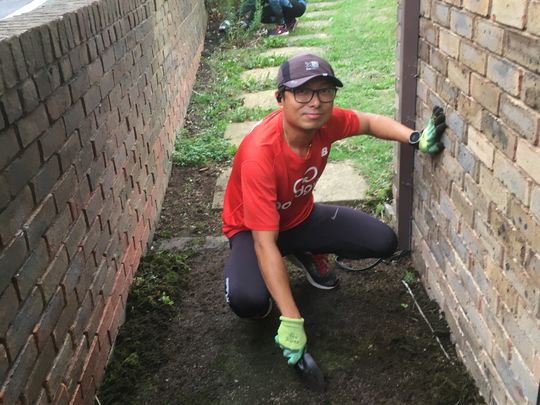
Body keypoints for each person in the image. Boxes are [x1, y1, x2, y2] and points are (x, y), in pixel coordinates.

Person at [221, 54, 446, 367]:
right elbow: (264, 242)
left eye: (324, 91)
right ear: (280, 97)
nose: (314, 102)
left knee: (383, 242)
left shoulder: (324, 122)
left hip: (298, 219)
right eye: (302, 92)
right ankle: (268, 276)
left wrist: (414, 138)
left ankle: (305, 250)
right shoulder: (260, 156)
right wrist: (292, 319)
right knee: (251, 302)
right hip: (251, 230)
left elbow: (369, 122)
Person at [219, 0, 307, 35]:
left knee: (267, 7)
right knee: (261, 16)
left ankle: (283, 27)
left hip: (295, 5)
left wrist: (280, 24)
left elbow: (275, 5)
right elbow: (256, 6)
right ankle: (290, 20)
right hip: (300, 6)